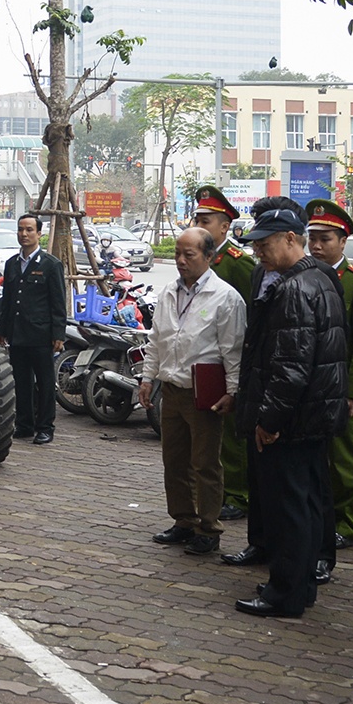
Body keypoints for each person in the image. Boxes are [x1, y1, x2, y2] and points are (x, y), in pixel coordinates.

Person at [229, 198, 347, 619]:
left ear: (291, 238)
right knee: (308, 502)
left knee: (289, 508)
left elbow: (291, 366)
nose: (258, 251)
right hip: (312, 414)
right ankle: (299, 584)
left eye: (265, 243)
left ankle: (285, 592)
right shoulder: (320, 277)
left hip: (293, 416)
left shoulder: (295, 288)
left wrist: (269, 420)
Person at [138, 228, 246, 556]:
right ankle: (183, 520)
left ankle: (208, 527)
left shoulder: (225, 297)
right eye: (178, 254)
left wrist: (232, 391)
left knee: (205, 464)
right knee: (174, 460)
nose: (181, 261)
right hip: (171, 390)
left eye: (190, 255)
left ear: (209, 257)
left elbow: (234, 350)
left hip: (205, 394)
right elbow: (157, 339)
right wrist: (147, 379)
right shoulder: (169, 292)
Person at [305, 199, 353, 554]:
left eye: (326, 239)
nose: (317, 246)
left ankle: (349, 523)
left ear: (343, 240)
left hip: (340, 390)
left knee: (344, 460)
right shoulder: (305, 275)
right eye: (313, 239)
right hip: (309, 385)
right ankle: (320, 521)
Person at [190, 187, 255, 521]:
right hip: (203, 361)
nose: (199, 225)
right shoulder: (196, 256)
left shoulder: (239, 264)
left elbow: (251, 317)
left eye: (206, 220)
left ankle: (239, 494)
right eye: (197, 219)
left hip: (232, 360)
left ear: (225, 226)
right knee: (206, 435)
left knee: (231, 435)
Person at [0, 213, 69, 445]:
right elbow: (7, 300)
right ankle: (24, 424)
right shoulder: (12, 264)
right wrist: (2, 328)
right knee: (21, 381)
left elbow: (58, 302)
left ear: (39, 233)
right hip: (18, 334)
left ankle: (45, 427)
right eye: (20, 230)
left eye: (29, 230)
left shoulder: (51, 264)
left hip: (40, 335)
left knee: (45, 383)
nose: (24, 234)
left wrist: (58, 333)